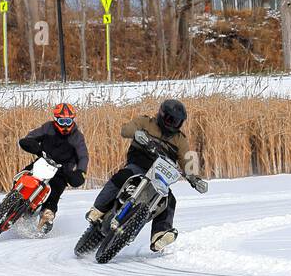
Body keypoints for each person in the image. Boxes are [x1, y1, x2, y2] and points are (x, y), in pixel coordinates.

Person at [86, 99, 207, 252]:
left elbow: (187, 158)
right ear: (162, 115)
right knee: (123, 176)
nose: (173, 124)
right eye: (171, 119)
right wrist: (136, 133)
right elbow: (126, 129)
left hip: (160, 175)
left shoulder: (180, 140)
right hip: (139, 165)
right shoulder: (145, 122)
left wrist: (194, 178)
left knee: (169, 200)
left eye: (177, 122)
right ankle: (99, 209)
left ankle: (160, 234)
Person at [18, 102, 89, 234]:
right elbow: (31, 136)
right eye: (62, 121)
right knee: (24, 174)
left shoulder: (78, 137)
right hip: (43, 162)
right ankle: (14, 196)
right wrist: (32, 144)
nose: (66, 125)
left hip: (62, 171)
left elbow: (83, 156)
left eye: (68, 121)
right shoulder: (47, 128)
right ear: (56, 119)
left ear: (73, 120)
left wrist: (81, 172)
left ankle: (47, 215)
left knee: (55, 190)